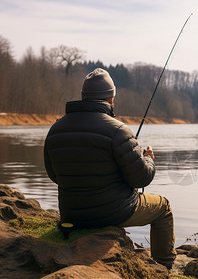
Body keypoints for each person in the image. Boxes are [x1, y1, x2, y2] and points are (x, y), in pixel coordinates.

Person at [44, 68, 176, 269]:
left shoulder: (55, 129)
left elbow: (54, 175)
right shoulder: (118, 130)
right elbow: (141, 179)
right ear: (111, 99)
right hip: (113, 213)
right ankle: (164, 267)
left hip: (72, 214)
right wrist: (148, 159)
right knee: (163, 207)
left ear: (84, 97)